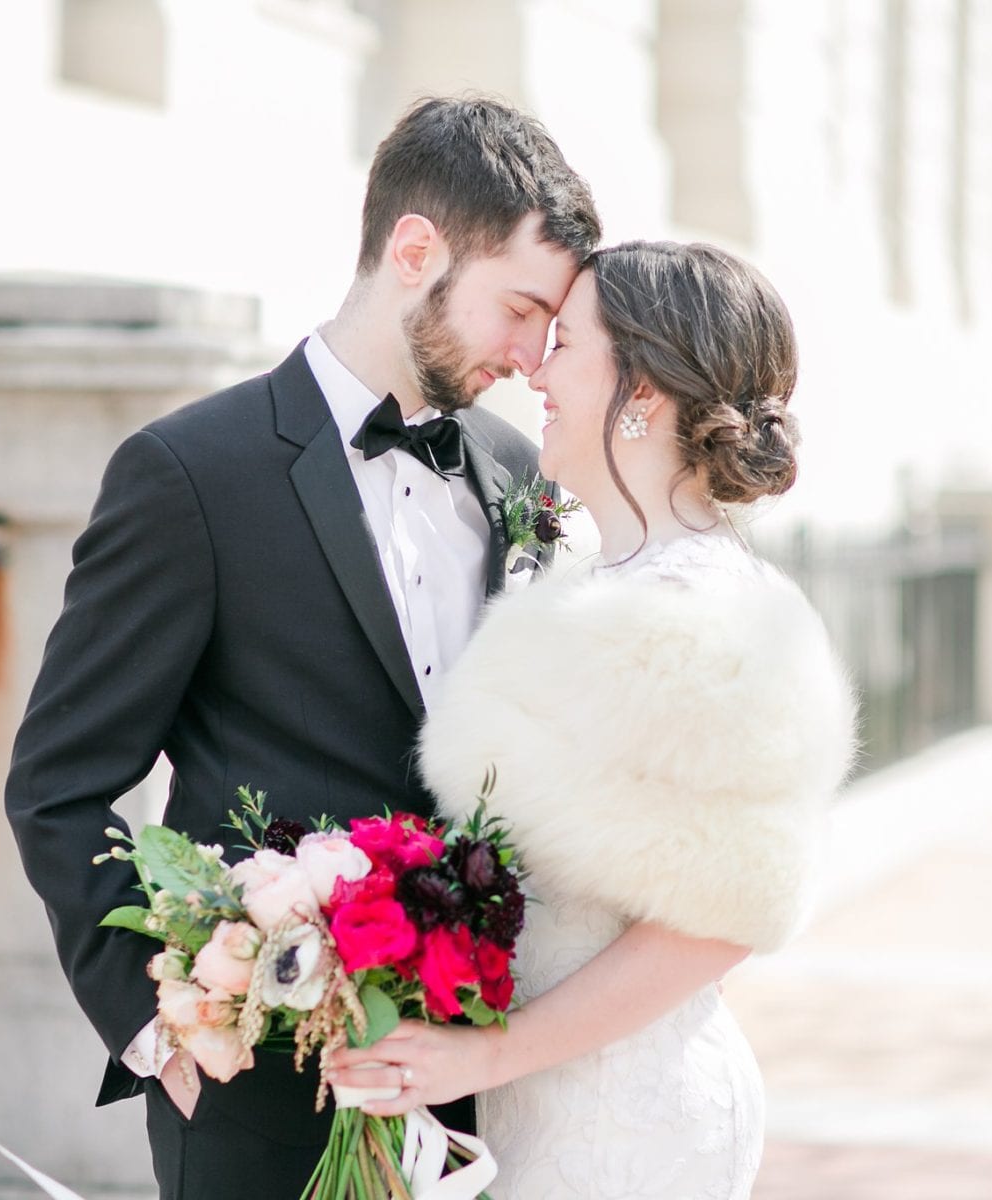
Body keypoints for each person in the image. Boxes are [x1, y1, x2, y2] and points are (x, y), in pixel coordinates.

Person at [4, 96, 599, 1199]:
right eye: (518, 309)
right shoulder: (190, 475)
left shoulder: (518, 471)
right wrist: (157, 1022)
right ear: (415, 249)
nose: (529, 356)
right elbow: (58, 783)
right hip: (263, 1090)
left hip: (480, 1089)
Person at [328, 241, 858, 1199]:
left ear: (642, 390)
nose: (533, 365)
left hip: (629, 1120)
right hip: (535, 1104)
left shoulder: (714, 618)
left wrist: (487, 1060)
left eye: (565, 342)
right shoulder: (589, 587)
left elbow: (723, 918)